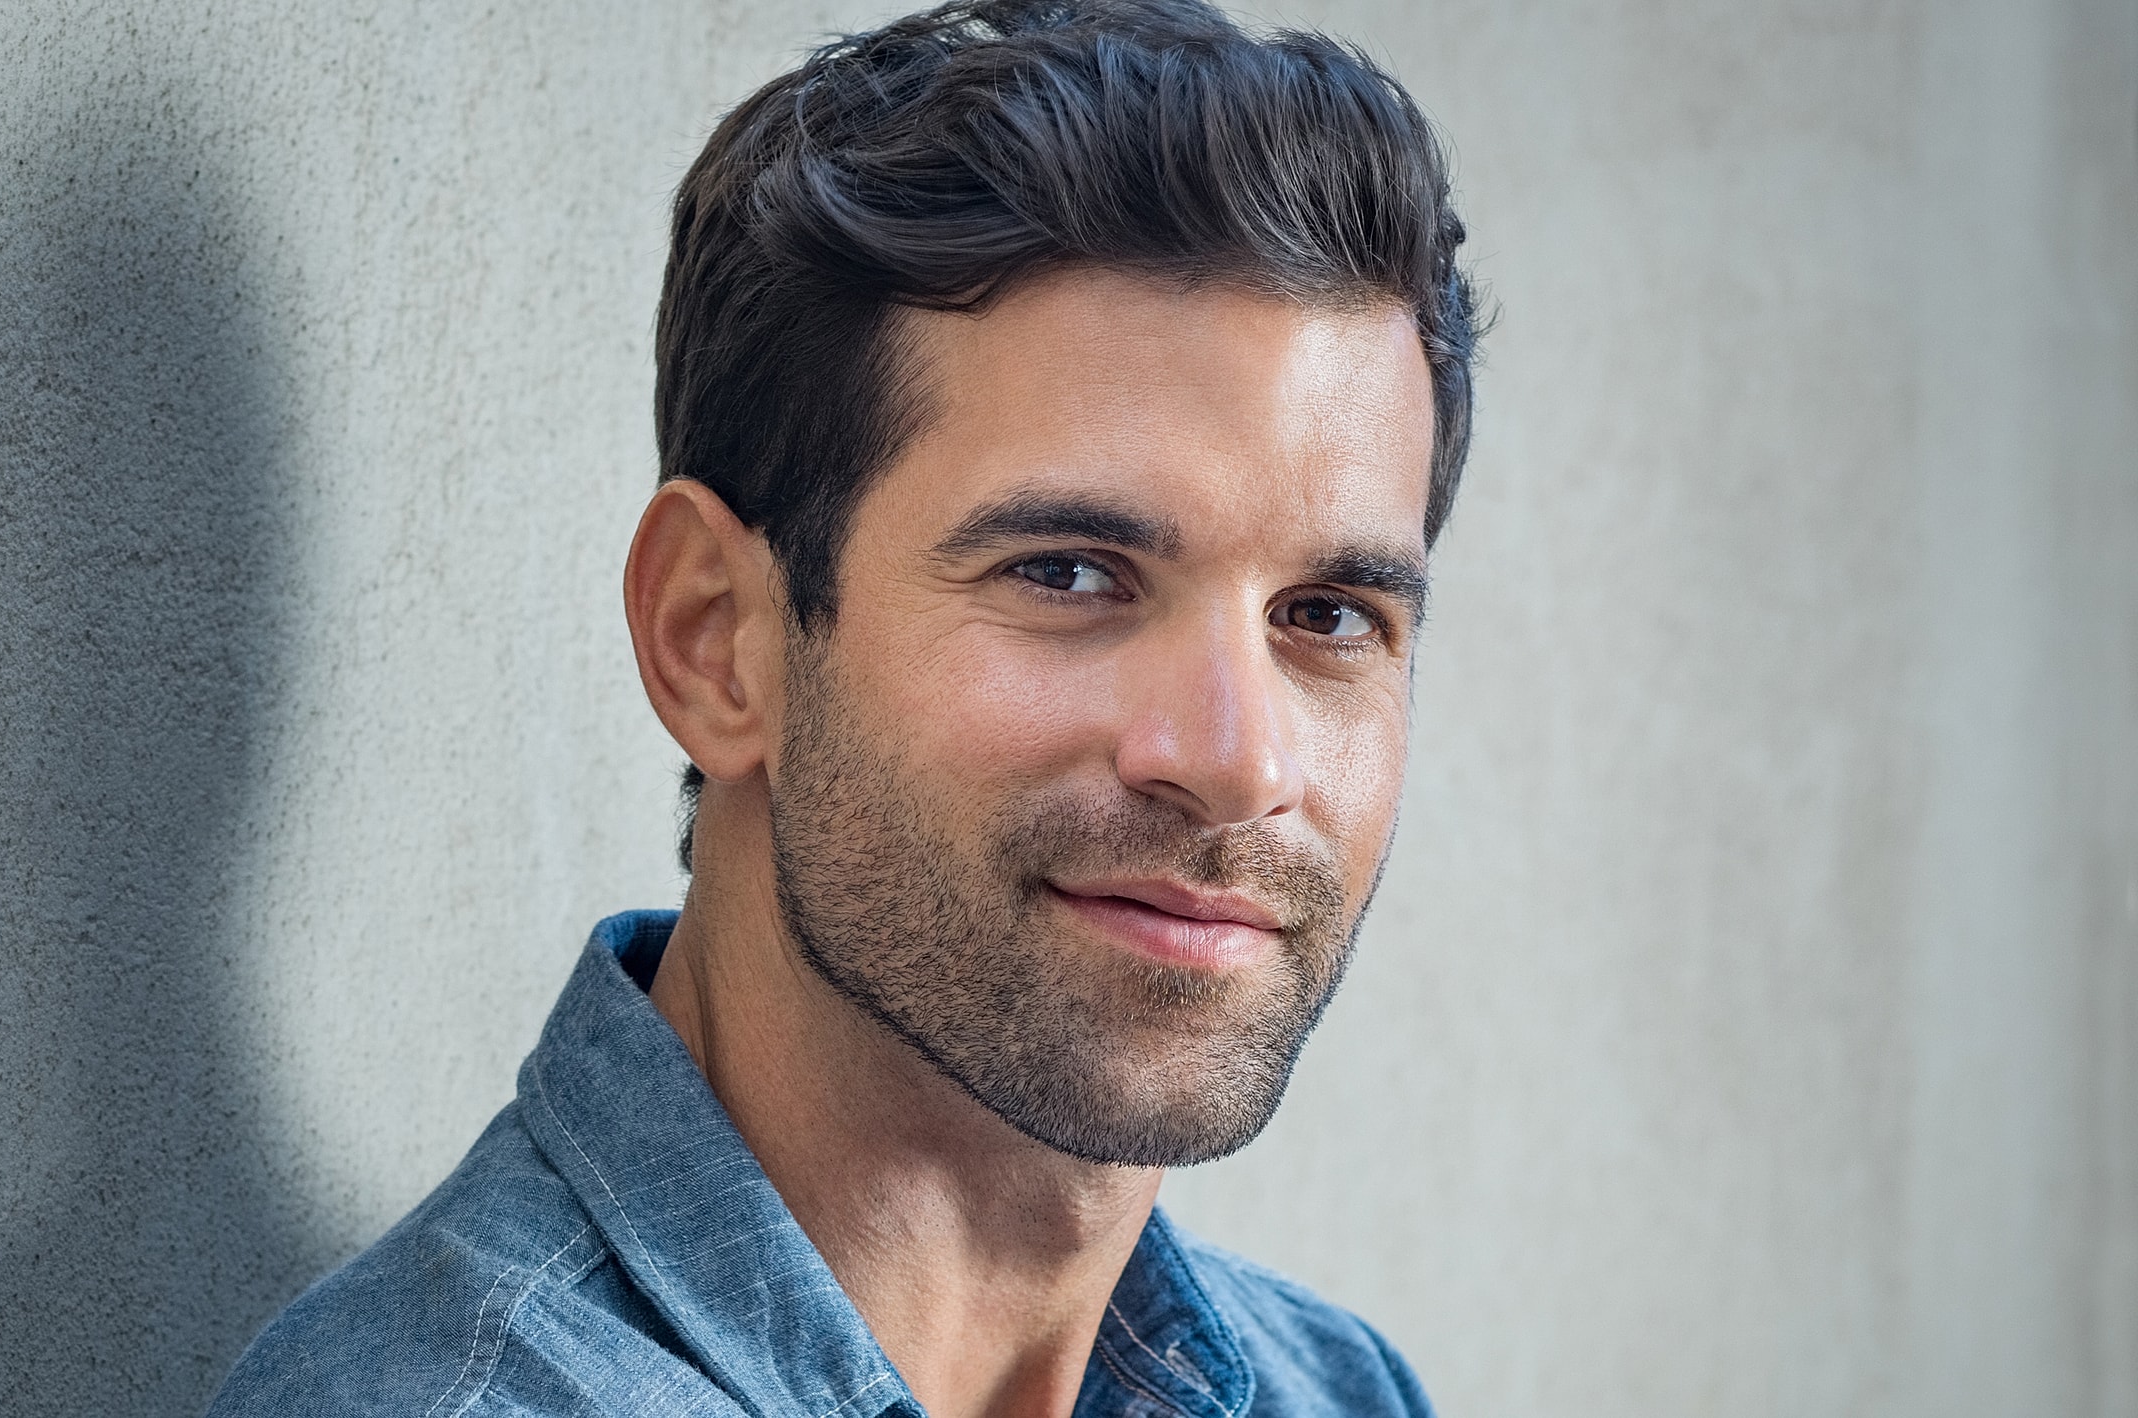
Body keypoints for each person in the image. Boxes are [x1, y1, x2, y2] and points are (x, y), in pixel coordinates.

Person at [209, 0, 1479, 1412]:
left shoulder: (1341, 1390)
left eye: (1327, 617)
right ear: (717, 639)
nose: (1239, 760)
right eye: (1069, 572)